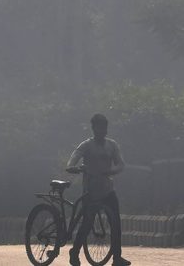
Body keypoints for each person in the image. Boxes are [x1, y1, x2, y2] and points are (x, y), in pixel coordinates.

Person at [66, 113, 130, 266]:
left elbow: (121, 164)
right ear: (93, 129)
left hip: (107, 189)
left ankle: (117, 258)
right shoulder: (86, 145)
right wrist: (74, 168)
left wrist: (112, 172)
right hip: (91, 190)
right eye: (99, 127)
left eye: (104, 127)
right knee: (87, 223)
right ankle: (74, 252)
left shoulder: (112, 145)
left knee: (116, 223)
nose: (102, 130)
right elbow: (72, 161)